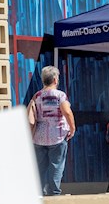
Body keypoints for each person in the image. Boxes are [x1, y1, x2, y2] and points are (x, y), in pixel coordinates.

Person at [28, 65, 76, 196]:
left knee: (41, 167)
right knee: (56, 165)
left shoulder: (37, 96)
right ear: (55, 79)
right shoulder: (60, 95)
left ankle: (39, 193)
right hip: (58, 135)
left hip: (39, 136)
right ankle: (54, 193)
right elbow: (67, 112)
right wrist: (72, 128)